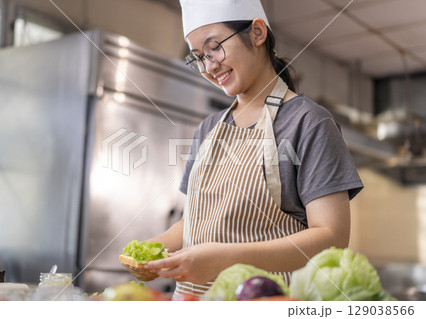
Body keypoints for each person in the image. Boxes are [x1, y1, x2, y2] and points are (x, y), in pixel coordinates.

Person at [122, 0, 363, 299]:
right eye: (198, 57)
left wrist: (226, 258)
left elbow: (332, 239)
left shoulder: (309, 123)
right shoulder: (208, 129)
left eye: (214, 48)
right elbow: (195, 224)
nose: (209, 66)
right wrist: (151, 252)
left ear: (258, 32)